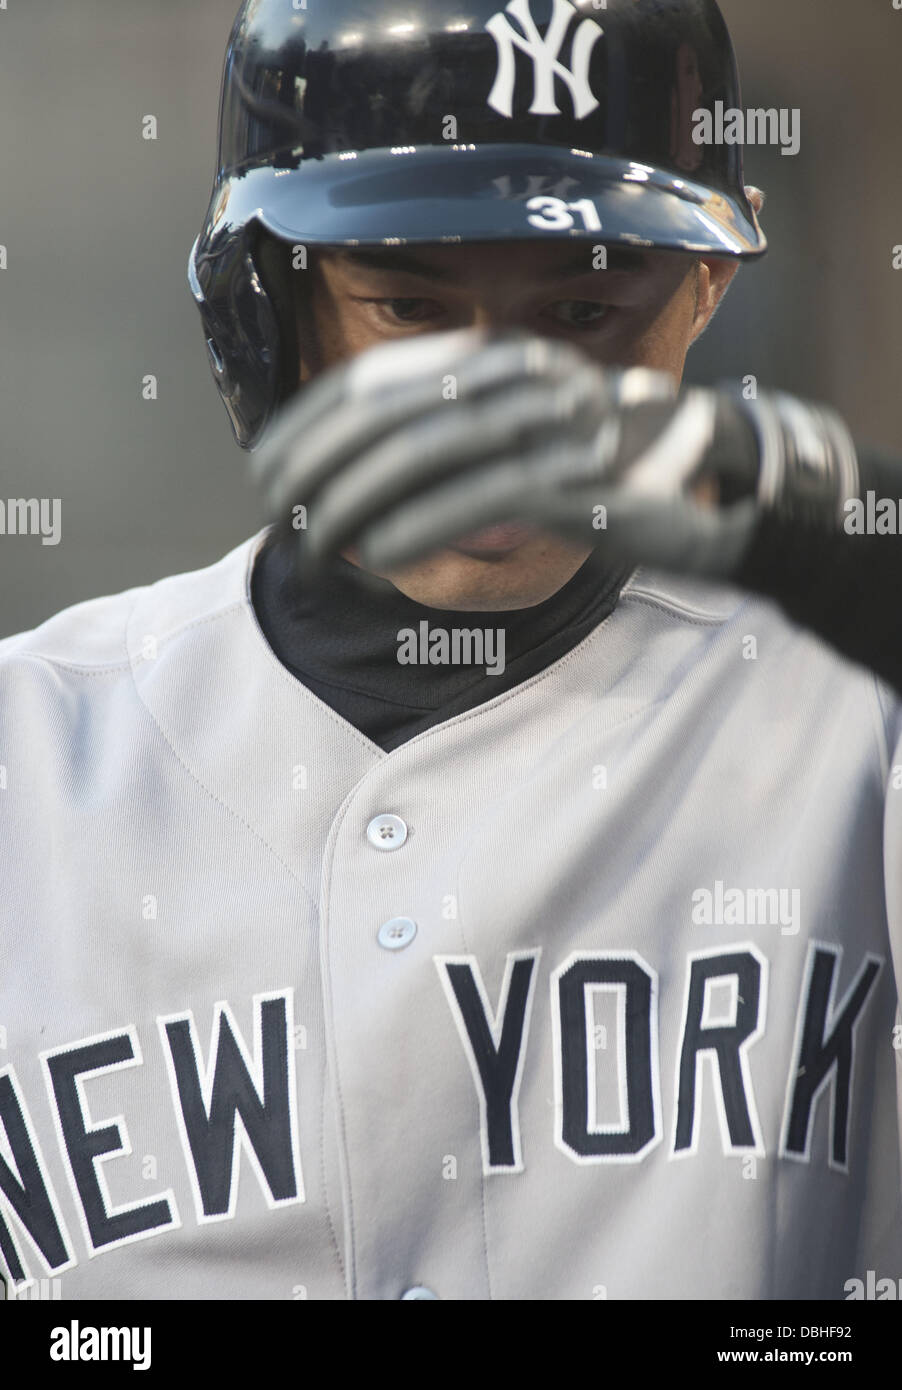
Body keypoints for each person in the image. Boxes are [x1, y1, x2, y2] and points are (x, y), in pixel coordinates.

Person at [1, 0, 899, 1302]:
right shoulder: (30, 758)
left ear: (706, 286)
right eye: (411, 305)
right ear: (275, 308)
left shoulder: (847, 729)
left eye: (583, 308)